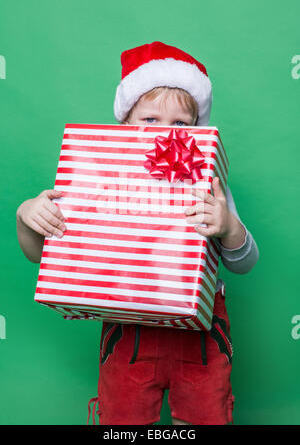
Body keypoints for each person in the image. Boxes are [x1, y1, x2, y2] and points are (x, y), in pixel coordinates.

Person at [16, 41, 259, 425]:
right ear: (126, 124)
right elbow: (38, 254)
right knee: (123, 418)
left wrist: (229, 227)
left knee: (204, 415)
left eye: (180, 124)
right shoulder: (96, 177)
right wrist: (27, 214)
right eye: (150, 121)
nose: (164, 133)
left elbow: (244, 262)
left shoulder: (209, 182)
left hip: (201, 330)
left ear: (196, 130)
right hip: (127, 328)